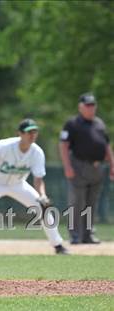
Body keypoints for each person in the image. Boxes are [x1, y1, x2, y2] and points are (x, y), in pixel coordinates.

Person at [0, 119, 69, 255]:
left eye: (35, 132)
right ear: (20, 133)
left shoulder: (37, 152)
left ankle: (58, 245)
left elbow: (38, 179)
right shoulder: (6, 145)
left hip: (18, 184)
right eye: (29, 132)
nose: (32, 135)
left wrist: (42, 195)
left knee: (43, 208)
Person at [59, 93, 114, 244]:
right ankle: (75, 235)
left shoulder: (99, 124)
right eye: (88, 105)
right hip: (78, 166)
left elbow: (106, 146)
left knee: (91, 203)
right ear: (80, 107)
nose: (91, 108)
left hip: (97, 167)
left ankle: (87, 235)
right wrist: (67, 166)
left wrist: (112, 164)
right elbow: (63, 145)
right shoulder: (72, 123)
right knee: (76, 202)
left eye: (93, 105)